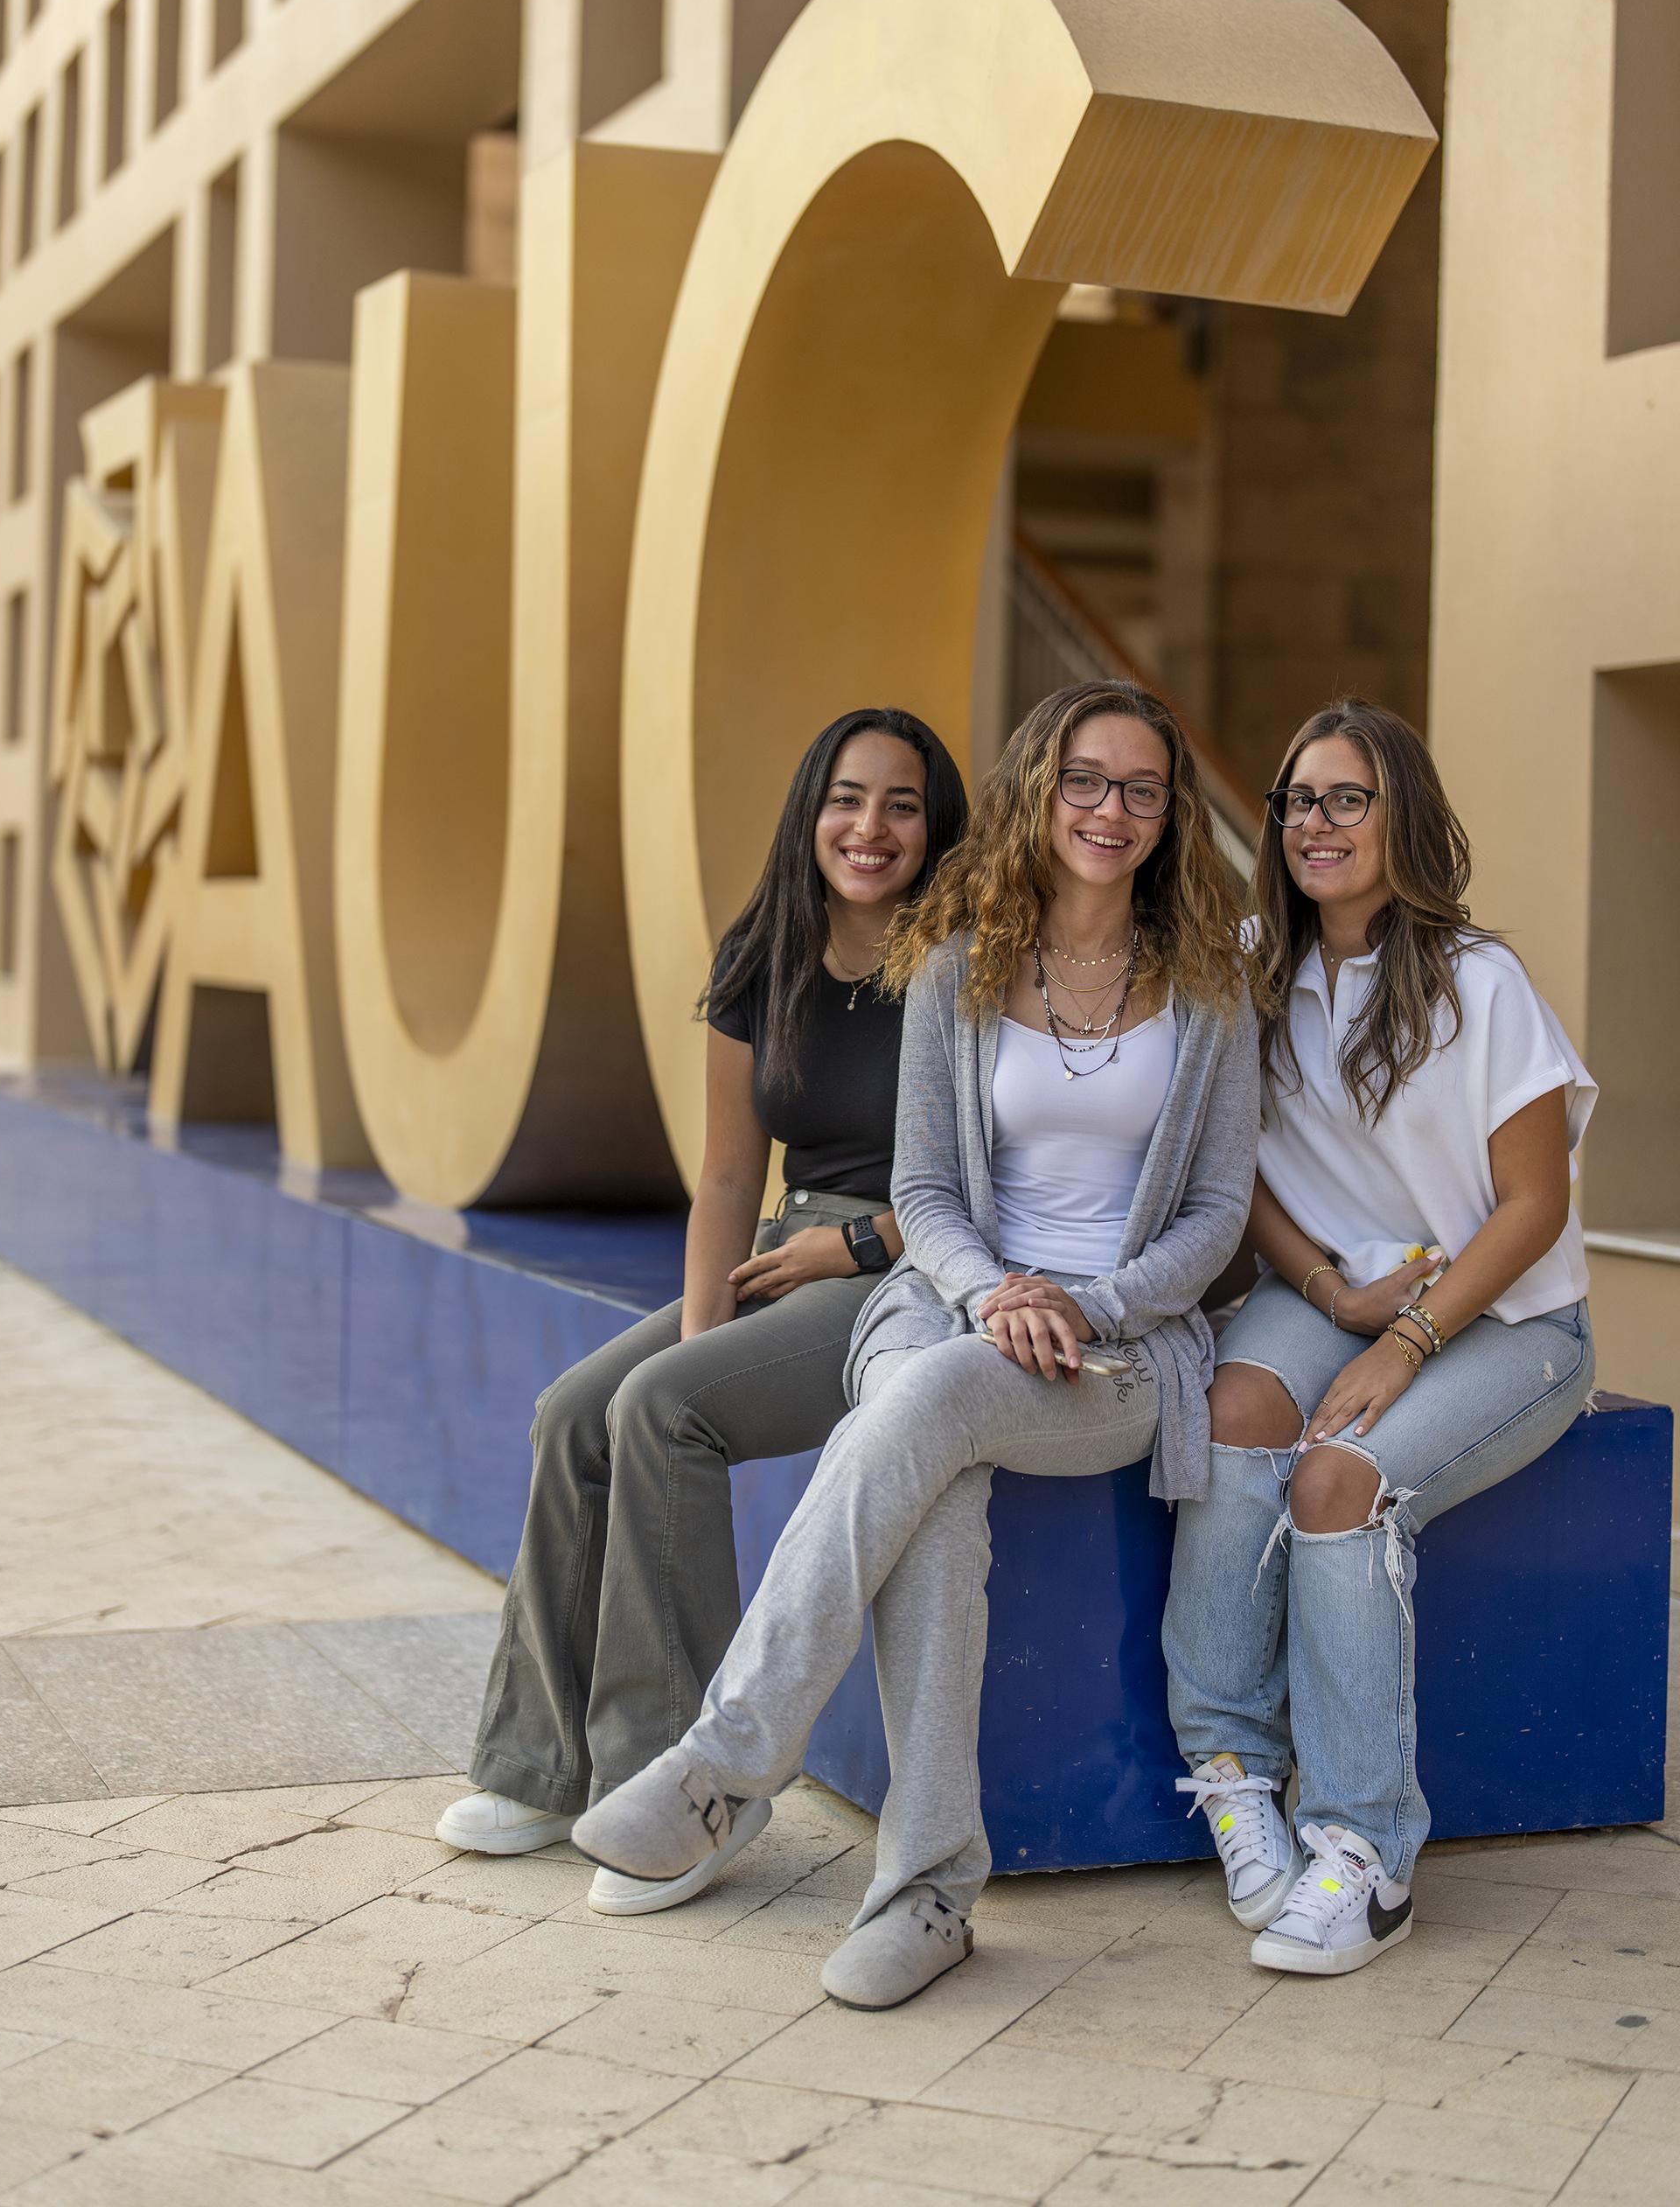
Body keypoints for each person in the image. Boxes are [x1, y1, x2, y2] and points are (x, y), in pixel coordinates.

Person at [571, 679, 1258, 2008]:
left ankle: (725, 1768)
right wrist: (998, 1288)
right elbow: (929, 1189)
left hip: (1121, 1353)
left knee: (933, 1412)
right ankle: (929, 1892)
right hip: (947, 1306)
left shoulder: (1214, 983)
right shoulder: (959, 960)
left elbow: (1219, 1217)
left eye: (1141, 789)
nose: (1109, 810)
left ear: (1171, 816)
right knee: (934, 1481)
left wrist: (1090, 1302)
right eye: (1083, 781)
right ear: (1037, 793)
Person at [436, 708, 968, 1913]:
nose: (870, 826)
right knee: (581, 1411)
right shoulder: (764, 951)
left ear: (935, 825)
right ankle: (542, 1765)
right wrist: (696, 1342)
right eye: (847, 797)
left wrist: (862, 1243)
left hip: (910, 1262)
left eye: (899, 802)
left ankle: (684, 1789)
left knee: (662, 1408)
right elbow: (729, 1178)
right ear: (810, 810)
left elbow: (995, 1175)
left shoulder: (965, 957)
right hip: (786, 1241)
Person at [1163, 698, 1595, 1977]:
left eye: (1346, 797)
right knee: (1233, 1414)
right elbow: (1228, 1162)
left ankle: (1363, 1849)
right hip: (1333, 1295)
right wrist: (1327, 1291)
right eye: (1298, 799)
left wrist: (1402, 1337)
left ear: (1401, 811)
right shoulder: (1251, 965)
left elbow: (1536, 1209)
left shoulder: (1479, 980)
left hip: (1506, 1316)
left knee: (1339, 1482)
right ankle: (1235, 1771)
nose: (1316, 822)